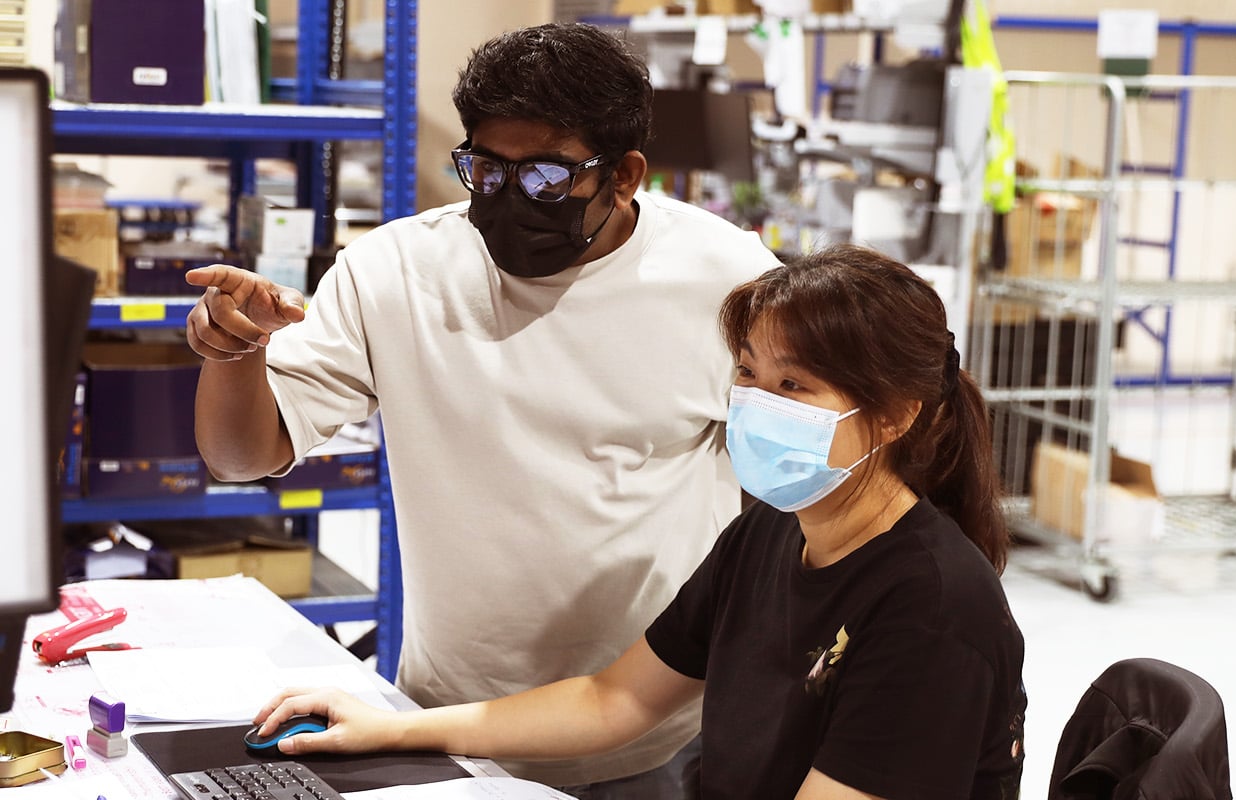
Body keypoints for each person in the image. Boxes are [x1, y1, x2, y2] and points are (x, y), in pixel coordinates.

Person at [183, 22, 779, 795]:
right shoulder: (396, 272)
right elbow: (240, 457)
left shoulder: (726, 281)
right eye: (488, 172)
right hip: (445, 727)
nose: (508, 199)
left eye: (544, 178)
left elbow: (797, 483)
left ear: (624, 175)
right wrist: (235, 353)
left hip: (655, 734)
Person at [251, 244, 1028, 800]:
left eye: (795, 385)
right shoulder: (770, 533)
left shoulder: (932, 609)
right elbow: (612, 701)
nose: (756, 405)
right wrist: (390, 727)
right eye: (749, 375)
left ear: (892, 417)